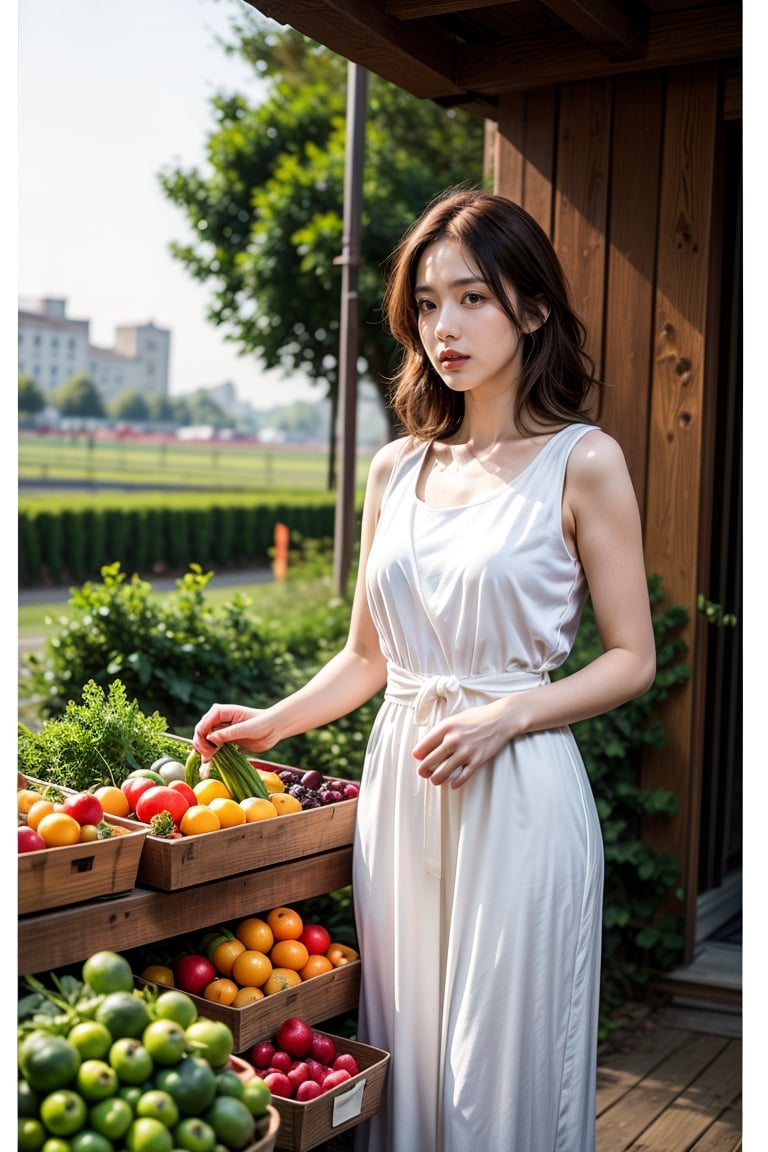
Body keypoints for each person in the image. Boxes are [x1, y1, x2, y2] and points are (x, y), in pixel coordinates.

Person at [192, 186, 657, 1152]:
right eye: (429, 304)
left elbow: (630, 659)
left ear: (531, 309)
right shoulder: (394, 469)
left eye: (474, 298)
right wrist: (272, 723)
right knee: (408, 1045)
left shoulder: (584, 461)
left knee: (501, 1056)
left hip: (519, 792)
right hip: (401, 791)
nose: (446, 326)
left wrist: (510, 715)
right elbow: (368, 656)